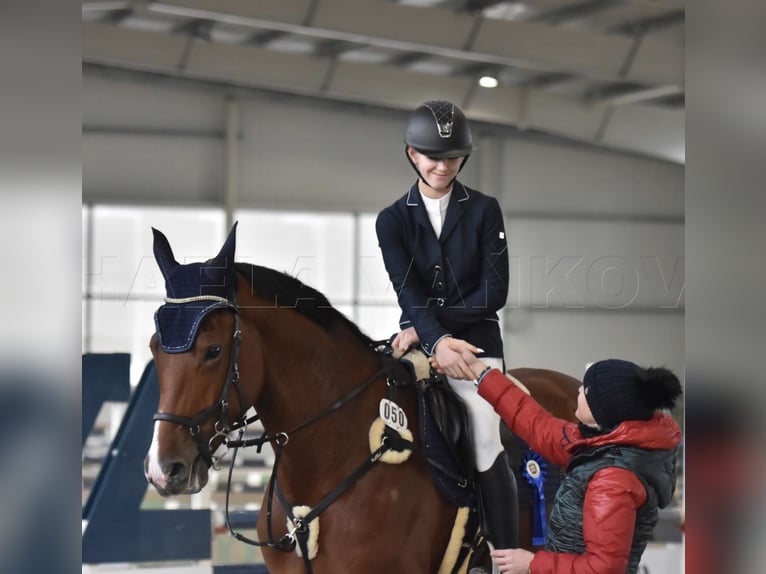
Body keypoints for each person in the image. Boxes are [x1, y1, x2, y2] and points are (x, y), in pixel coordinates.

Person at [376, 100, 518, 557]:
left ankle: (501, 556)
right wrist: (432, 338)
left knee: (482, 438)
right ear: (412, 154)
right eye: (432, 156)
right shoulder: (392, 220)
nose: (442, 165)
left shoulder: (484, 210)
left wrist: (431, 332)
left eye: (452, 157)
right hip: (418, 342)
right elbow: (407, 291)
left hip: (477, 345)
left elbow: (494, 293)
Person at [462, 357, 682, 574]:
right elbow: (538, 424)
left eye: (585, 391)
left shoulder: (613, 480)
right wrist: (481, 373)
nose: (578, 390)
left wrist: (531, 563)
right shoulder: (600, 444)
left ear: (602, 411)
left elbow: (604, 568)